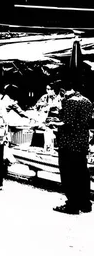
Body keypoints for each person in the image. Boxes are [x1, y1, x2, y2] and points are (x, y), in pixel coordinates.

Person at [49, 82, 93, 214]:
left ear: (62, 91)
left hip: (69, 144)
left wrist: (53, 124)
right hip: (82, 143)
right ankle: (85, 203)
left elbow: (67, 123)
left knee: (69, 175)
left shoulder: (69, 102)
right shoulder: (87, 101)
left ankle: (72, 205)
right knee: (82, 174)